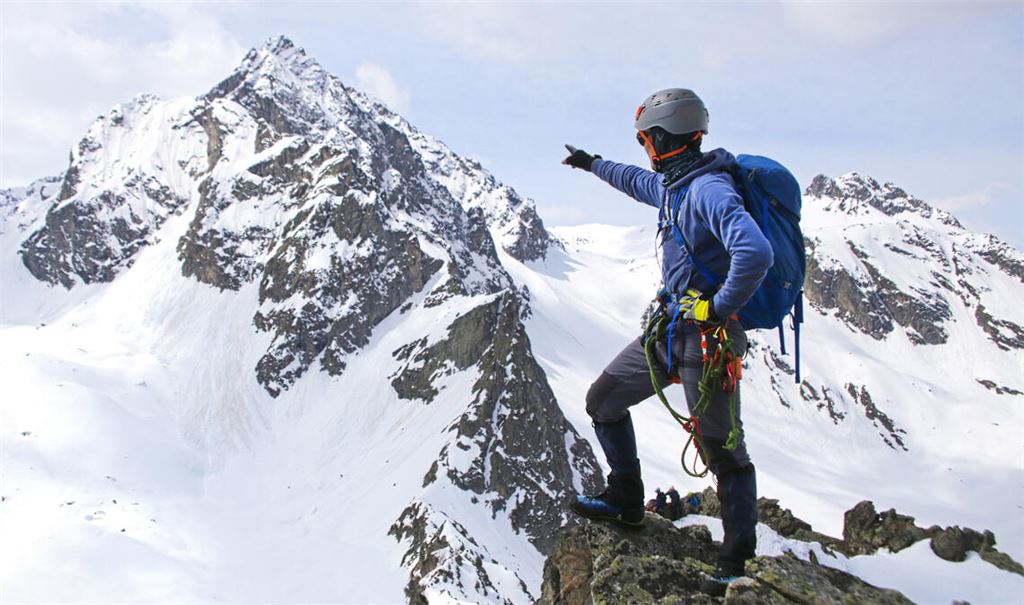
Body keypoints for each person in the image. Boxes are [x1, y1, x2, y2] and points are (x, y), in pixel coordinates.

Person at [562, 88, 770, 595]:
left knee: (721, 448)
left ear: (660, 137)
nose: (644, 152)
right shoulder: (677, 186)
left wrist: (716, 307)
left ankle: (738, 555)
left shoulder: (707, 191)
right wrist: (592, 164)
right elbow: (636, 182)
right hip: (670, 330)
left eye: (645, 140)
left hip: (707, 338)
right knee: (603, 400)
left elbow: (755, 252)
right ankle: (626, 500)